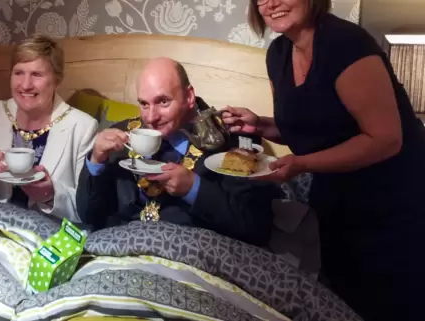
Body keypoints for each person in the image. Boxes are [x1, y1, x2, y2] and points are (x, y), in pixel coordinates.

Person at [221, 0, 425, 319]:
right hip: (342, 198)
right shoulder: (277, 54)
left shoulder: (346, 44)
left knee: (407, 306)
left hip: (406, 197)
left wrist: (301, 164)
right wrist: (263, 125)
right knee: (349, 303)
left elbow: (385, 139)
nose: (271, 3)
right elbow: (315, 129)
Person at [76, 57, 279, 247]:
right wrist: (96, 161)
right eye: (144, 104)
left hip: (191, 261)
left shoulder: (235, 140)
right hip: (118, 252)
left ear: (189, 96)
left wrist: (194, 189)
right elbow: (89, 216)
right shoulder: (124, 136)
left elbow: (256, 228)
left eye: (163, 101)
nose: (151, 117)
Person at [0, 35, 98, 222]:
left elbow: (87, 209)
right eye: (18, 73)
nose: (25, 85)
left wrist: (49, 195)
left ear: (57, 79)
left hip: (45, 231)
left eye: (37, 74)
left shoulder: (82, 127)